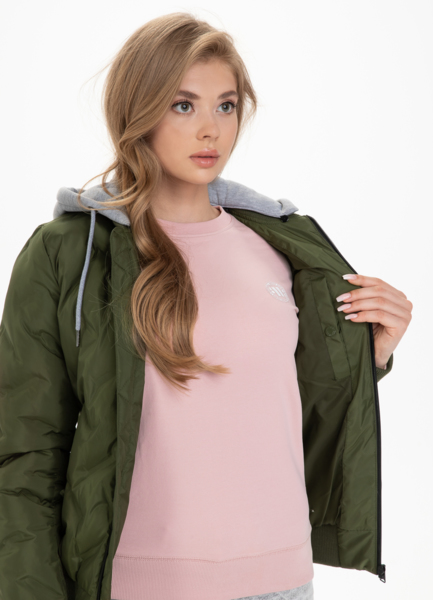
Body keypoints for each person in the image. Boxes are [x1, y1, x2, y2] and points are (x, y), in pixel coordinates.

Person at [0, 12, 412, 600]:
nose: (210, 130)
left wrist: (368, 359)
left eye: (226, 105)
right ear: (137, 110)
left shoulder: (280, 245)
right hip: (143, 584)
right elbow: (25, 452)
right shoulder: (71, 252)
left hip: (283, 581)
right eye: (183, 105)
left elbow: (282, 408)